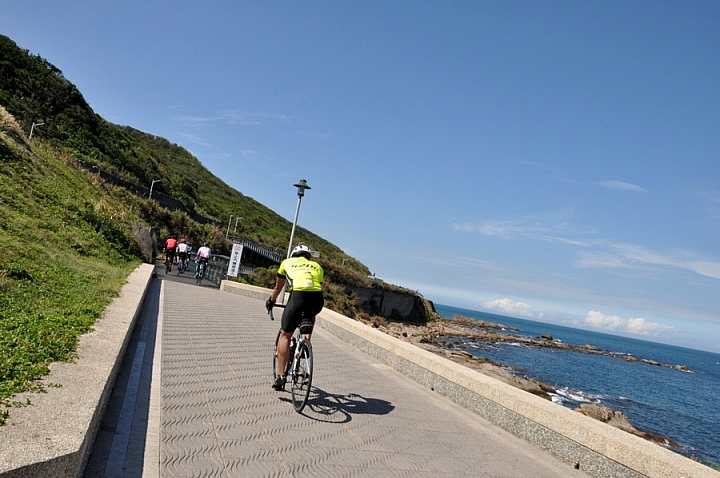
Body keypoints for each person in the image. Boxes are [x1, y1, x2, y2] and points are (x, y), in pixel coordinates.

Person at [266, 244, 324, 391]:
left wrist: (271, 301)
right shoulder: (317, 266)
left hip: (298, 296)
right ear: (308, 257)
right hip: (317, 300)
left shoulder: (286, 262)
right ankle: (305, 343)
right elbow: (314, 287)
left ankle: (280, 376)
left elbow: (278, 288)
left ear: (294, 255)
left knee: (285, 335)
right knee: (310, 315)